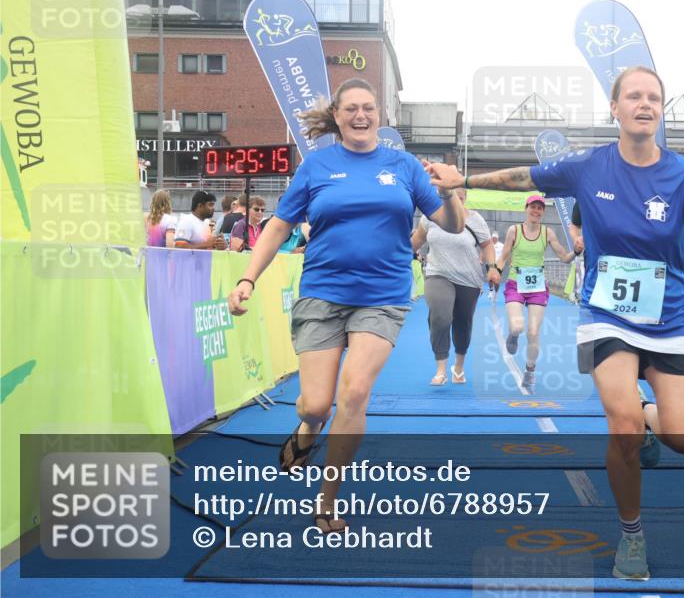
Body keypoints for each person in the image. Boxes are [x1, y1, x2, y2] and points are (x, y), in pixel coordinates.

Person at [425, 66, 684, 580]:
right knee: (620, 427)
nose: (645, 104)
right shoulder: (588, 167)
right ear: (614, 109)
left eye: (654, 98)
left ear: (661, 111)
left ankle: (645, 413)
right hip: (606, 315)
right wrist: (461, 179)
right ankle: (632, 535)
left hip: (669, 317)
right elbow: (523, 177)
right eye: (634, 97)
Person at [227, 78, 463, 534]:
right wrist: (246, 278)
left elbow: (449, 224)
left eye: (369, 108)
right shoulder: (317, 167)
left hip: (383, 296)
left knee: (354, 394)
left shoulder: (404, 167)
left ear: (380, 115)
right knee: (314, 405)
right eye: (351, 108)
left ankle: (326, 501)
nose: (361, 115)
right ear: (336, 116)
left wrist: (451, 190)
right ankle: (308, 431)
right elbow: (278, 227)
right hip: (322, 292)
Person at [410, 187, 501, 385]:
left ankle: (458, 366)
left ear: (465, 198)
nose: (456, 202)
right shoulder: (429, 218)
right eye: (451, 197)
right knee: (440, 317)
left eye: (460, 198)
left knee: (463, 324)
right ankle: (440, 369)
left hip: (469, 279)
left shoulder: (475, 219)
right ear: (442, 196)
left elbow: (487, 245)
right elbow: (415, 242)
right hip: (437, 274)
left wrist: (492, 267)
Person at [495, 195, 581, 390]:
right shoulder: (514, 231)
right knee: (517, 327)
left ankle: (530, 371)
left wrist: (575, 251)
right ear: (526, 209)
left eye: (539, 208)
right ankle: (513, 336)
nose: (536, 211)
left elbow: (564, 258)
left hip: (537, 288)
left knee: (533, 332)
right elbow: (504, 256)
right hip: (516, 283)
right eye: (532, 207)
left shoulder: (547, 233)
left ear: (543, 211)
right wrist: (496, 271)